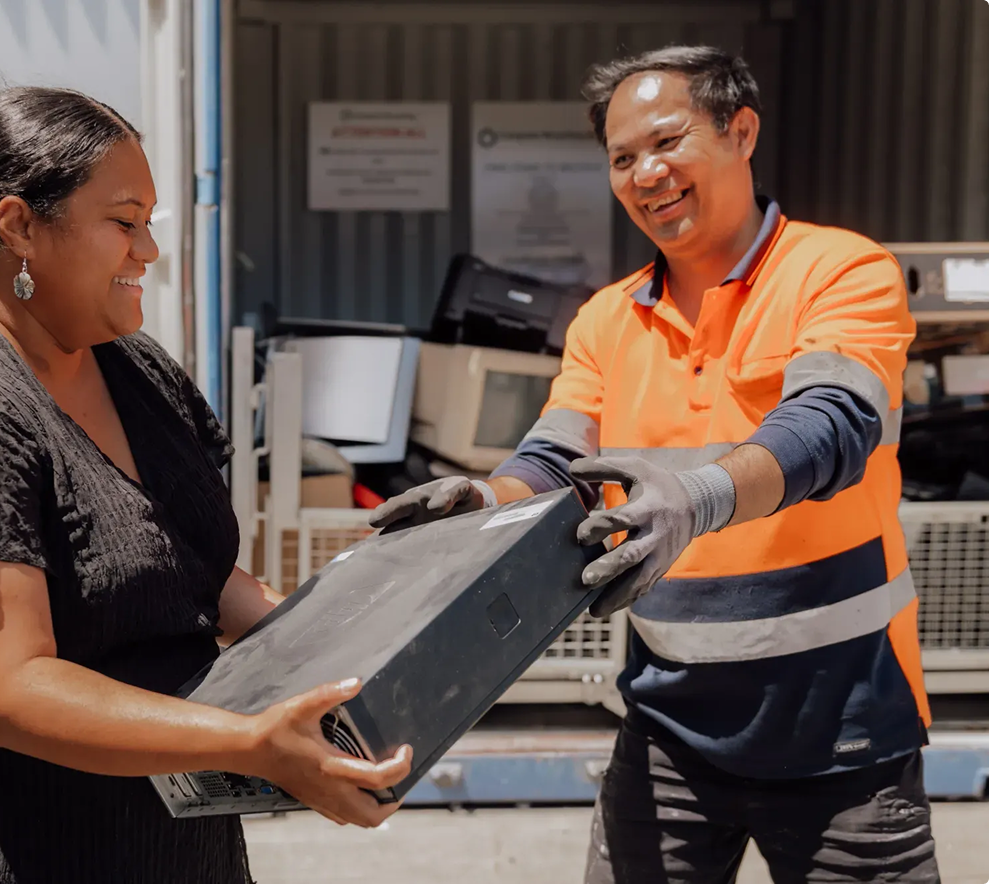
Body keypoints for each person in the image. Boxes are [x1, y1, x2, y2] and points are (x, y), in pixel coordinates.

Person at [0, 86, 411, 884]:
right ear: (19, 225)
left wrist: (335, 640)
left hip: (158, 839)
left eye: (149, 224)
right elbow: (7, 690)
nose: (148, 252)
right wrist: (252, 742)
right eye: (124, 223)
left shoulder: (130, 365)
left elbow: (184, 569)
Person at [371, 46, 939, 883]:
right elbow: (559, 455)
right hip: (669, 731)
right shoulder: (605, 319)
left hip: (845, 729)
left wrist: (700, 497)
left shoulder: (841, 270)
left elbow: (832, 425)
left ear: (741, 132)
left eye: (667, 143)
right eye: (622, 158)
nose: (646, 174)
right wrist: (484, 499)